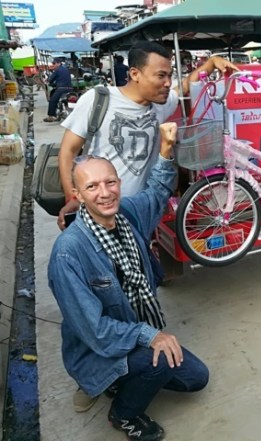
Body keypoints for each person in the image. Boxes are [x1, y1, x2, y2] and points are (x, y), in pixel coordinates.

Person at [48, 122, 209, 441]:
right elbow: (94, 330)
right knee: (158, 361)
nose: (105, 193)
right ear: (78, 195)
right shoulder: (68, 253)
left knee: (196, 378)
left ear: (119, 183)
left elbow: (158, 192)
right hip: (95, 351)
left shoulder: (128, 215)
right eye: (92, 187)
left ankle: (123, 378)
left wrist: (166, 149)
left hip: (132, 332)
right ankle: (123, 413)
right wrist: (150, 335)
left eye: (110, 182)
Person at [57, 40, 237, 229]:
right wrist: (72, 197)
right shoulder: (98, 100)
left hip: (142, 212)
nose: (168, 83)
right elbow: (68, 151)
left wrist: (211, 63)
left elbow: (185, 86)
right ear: (135, 73)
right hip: (100, 211)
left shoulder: (160, 104)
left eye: (169, 75)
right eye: (161, 76)